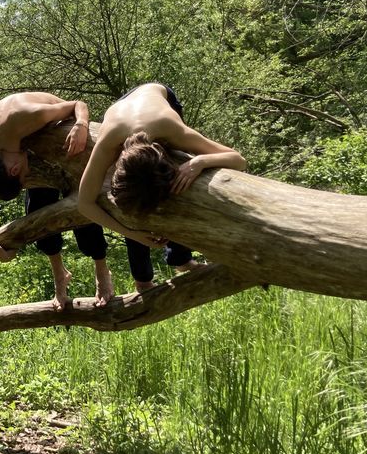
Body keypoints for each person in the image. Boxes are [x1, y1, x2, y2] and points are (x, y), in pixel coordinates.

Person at [77, 83, 247, 305]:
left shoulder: (172, 129)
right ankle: (143, 278)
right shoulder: (109, 142)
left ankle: (180, 259)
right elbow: (84, 203)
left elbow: (238, 159)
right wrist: (131, 231)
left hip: (159, 95)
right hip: (122, 108)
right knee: (135, 203)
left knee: (179, 186)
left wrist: (199, 161)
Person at [0, 92, 112, 309]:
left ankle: (101, 270)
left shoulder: (26, 116)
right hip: (35, 150)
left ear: (14, 169)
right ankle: (60, 274)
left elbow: (78, 104)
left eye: (24, 179)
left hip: (68, 140)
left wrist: (81, 125)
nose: (28, 175)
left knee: (82, 207)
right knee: (38, 211)